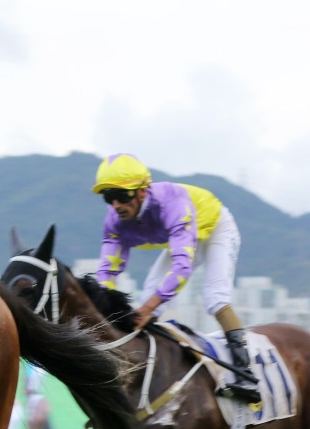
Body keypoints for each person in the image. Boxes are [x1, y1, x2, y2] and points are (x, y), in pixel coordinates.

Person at [92, 153, 261, 403]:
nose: (116, 205)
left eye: (122, 195)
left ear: (142, 192)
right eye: (109, 197)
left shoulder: (172, 204)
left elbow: (182, 268)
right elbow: (107, 271)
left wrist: (149, 308)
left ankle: (246, 375)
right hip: (182, 236)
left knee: (215, 297)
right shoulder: (114, 221)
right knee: (149, 293)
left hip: (215, 228)